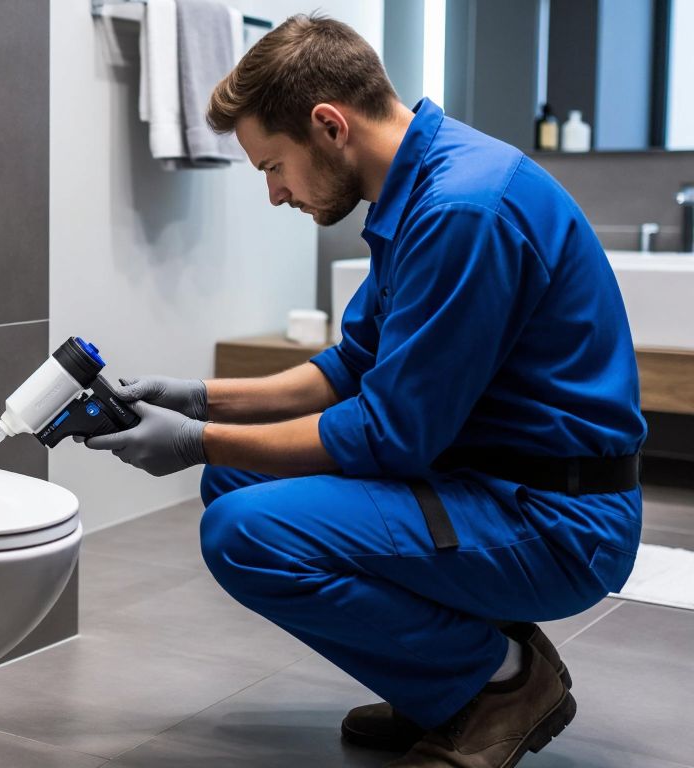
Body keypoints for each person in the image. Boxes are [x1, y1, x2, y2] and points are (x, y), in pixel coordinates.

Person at [83, 13, 644, 768]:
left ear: (328, 125)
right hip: (490, 483)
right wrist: (199, 399)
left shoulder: (461, 211)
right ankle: (454, 673)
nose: (276, 195)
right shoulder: (421, 185)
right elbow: (351, 365)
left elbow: (387, 436)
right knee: (236, 476)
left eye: (272, 167)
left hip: (556, 519)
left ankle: (496, 683)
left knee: (244, 532)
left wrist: (195, 441)